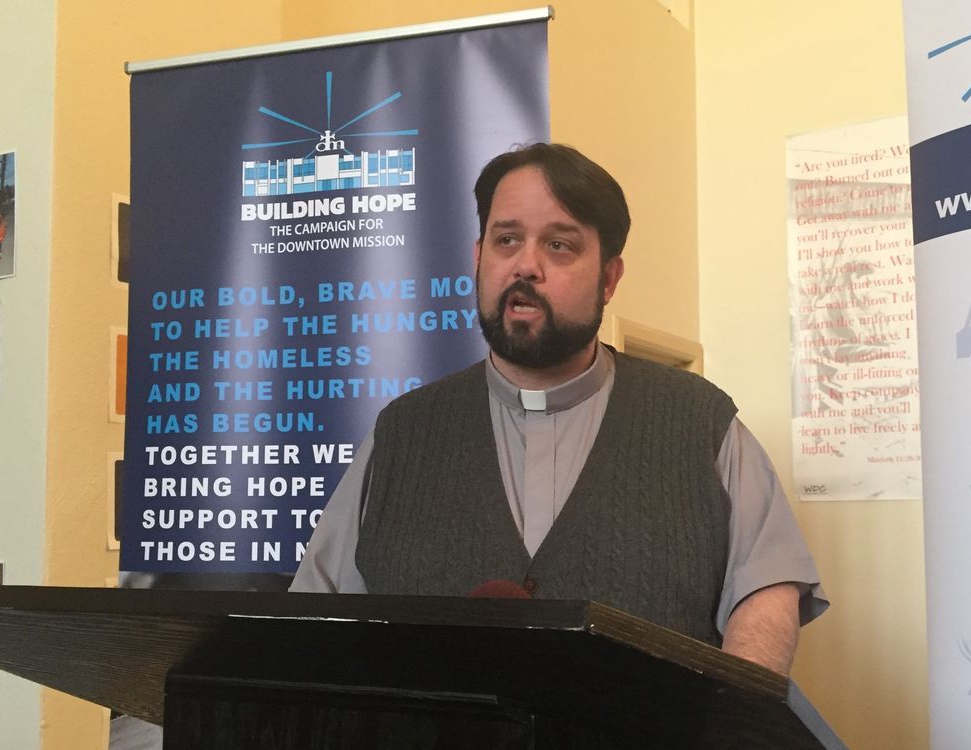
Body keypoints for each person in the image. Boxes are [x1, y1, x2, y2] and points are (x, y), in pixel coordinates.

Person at [291, 143, 827, 675]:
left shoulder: (702, 424)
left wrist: (730, 713)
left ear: (609, 279)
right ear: (478, 258)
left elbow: (765, 598)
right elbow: (314, 624)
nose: (525, 265)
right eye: (507, 240)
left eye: (559, 245)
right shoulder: (401, 433)